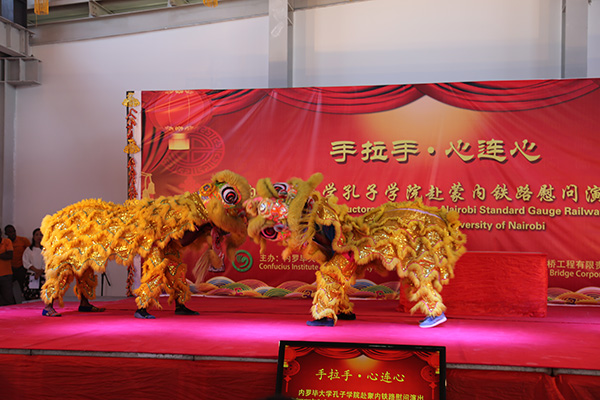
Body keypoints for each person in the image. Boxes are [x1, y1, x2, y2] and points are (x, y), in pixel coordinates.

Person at [244, 173, 467, 328]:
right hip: (353, 247)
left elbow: (337, 238)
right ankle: (342, 309)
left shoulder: (320, 211)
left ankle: (325, 315)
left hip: (355, 247)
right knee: (333, 271)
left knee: (331, 273)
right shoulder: (313, 213)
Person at [41, 170, 251, 319]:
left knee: (174, 264)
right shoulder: (176, 211)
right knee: (72, 263)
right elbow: (168, 237)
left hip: (163, 239)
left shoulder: (189, 214)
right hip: (96, 225)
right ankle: (141, 307)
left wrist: (208, 228)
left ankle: (179, 304)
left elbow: (180, 239)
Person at [4, 225, 30, 302]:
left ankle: (27, 302)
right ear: (6, 233)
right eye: (10, 232)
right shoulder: (5, 242)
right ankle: (13, 303)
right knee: (7, 289)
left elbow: (29, 252)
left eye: (13, 231)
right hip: (10, 269)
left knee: (24, 287)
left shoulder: (23, 240)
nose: (12, 233)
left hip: (21, 268)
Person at [22, 228, 46, 300]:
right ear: (33, 237)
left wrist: (40, 272)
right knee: (31, 296)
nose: (39, 237)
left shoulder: (45, 249)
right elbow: (25, 261)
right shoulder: (28, 249)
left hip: (42, 275)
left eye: (41, 235)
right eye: (37, 235)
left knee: (42, 296)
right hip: (31, 275)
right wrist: (36, 271)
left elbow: (46, 261)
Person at [0, 226, 15, 306]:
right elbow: (5, 254)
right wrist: (2, 254)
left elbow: (9, 255)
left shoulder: (7, 241)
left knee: (8, 297)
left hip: (6, 274)